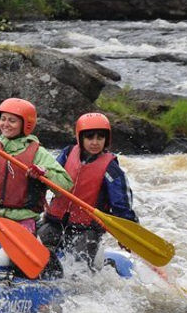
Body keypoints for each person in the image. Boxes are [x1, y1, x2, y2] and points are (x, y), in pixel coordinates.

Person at [0, 97, 72, 249]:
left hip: (22, 221)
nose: (5, 124)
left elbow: (66, 185)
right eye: (3, 119)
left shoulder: (38, 153)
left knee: (6, 257)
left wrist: (45, 173)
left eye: (12, 120)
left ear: (26, 124)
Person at [37, 112, 138, 266]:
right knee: (37, 250)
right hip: (55, 222)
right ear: (80, 138)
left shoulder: (110, 168)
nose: (95, 142)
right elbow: (53, 175)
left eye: (100, 138)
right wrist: (41, 173)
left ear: (106, 140)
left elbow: (121, 203)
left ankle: (103, 265)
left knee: (80, 266)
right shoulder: (67, 154)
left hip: (87, 229)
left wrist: (127, 234)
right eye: (90, 137)